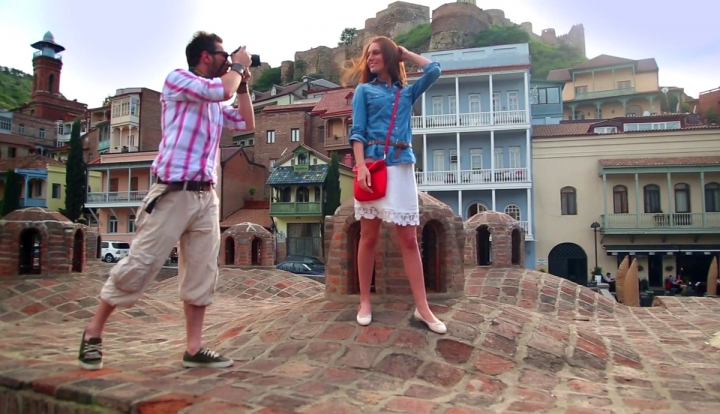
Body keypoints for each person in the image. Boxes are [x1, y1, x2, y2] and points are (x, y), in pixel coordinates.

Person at [78, 32, 255, 370]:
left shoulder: (215, 102)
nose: (226, 60)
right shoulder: (178, 80)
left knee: (202, 271)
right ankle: (93, 332)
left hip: (206, 196)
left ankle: (194, 348)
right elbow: (222, 89)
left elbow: (246, 122)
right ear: (206, 56)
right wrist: (237, 66)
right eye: (222, 54)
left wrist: (243, 83)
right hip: (172, 192)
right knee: (141, 263)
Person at [344, 36, 446, 334]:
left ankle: (423, 307)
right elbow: (357, 132)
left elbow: (435, 70)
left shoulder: (406, 92)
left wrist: (405, 53)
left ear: (389, 56)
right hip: (373, 166)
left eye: (376, 53)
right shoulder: (364, 90)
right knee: (368, 237)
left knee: (410, 240)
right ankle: (365, 301)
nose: (370, 58)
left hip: (401, 166)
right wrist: (360, 166)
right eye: (368, 54)